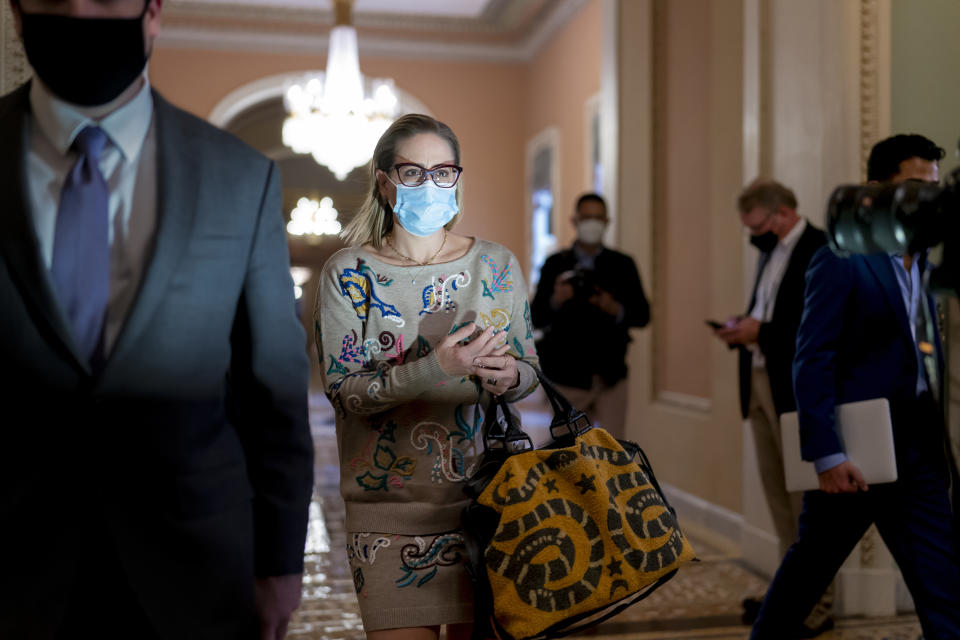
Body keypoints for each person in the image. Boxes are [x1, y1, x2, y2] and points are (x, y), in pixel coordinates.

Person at [0, 0, 314, 638]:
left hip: (195, 560)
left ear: (152, 14)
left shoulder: (239, 176)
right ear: (16, 14)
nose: (82, 12)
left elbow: (273, 392)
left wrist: (280, 561)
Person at [314, 114, 539, 640]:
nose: (430, 184)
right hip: (385, 513)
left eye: (443, 172)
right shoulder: (349, 274)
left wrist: (509, 375)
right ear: (384, 178)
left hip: (486, 504)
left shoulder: (496, 266)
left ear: (458, 177)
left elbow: (530, 372)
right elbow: (344, 393)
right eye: (413, 172)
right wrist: (439, 367)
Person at [751, 134, 960, 639]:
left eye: (933, 189)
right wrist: (826, 455)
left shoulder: (930, 264)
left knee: (944, 591)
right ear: (876, 189)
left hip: (919, 454)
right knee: (807, 574)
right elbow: (812, 358)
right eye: (915, 187)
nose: (926, 200)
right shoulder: (840, 258)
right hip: (855, 457)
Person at [712, 180, 831, 634]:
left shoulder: (821, 249)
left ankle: (818, 603)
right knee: (779, 503)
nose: (752, 235)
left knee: (806, 504)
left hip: (793, 388)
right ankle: (791, 594)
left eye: (756, 226)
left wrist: (757, 332)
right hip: (760, 383)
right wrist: (744, 328)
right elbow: (768, 311)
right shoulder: (771, 251)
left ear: (781, 214)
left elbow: (810, 325)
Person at [530, 193, 649, 439]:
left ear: (607, 221)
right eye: (586, 217)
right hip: (566, 375)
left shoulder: (622, 265)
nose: (592, 224)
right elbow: (534, 317)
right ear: (575, 221)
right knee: (565, 454)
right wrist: (556, 299)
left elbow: (643, 316)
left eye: (597, 218)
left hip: (610, 375)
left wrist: (614, 308)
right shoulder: (555, 264)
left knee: (614, 452)